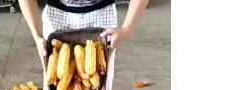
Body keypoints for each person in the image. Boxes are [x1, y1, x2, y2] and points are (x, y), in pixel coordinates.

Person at [19, 0, 149, 69]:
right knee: (56, 79)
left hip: (101, 12)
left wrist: (126, 28)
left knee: (98, 82)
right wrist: (37, 36)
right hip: (57, 12)